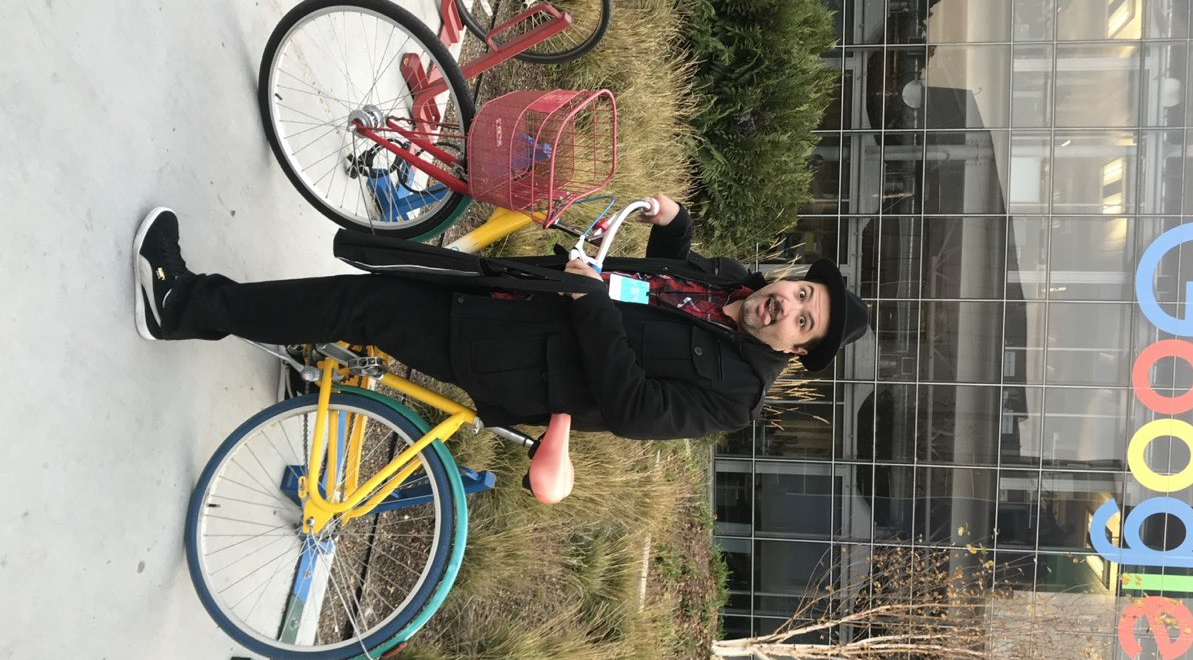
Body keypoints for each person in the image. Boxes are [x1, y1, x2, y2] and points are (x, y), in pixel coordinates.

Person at [133, 198, 869, 441]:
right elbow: (664, 294)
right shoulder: (735, 282)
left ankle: (190, 305)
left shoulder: (736, 397)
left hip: (513, 359)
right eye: (804, 295)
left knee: (363, 306)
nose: (790, 308)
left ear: (797, 352)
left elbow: (636, 407)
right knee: (378, 277)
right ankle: (205, 307)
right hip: (518, 292)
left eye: (804, 325)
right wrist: (674, 227)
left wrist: (590, 306)